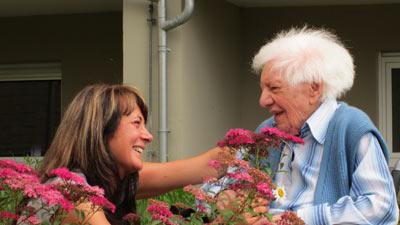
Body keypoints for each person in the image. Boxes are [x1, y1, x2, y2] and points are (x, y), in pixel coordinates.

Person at [251, 26, 399, 224]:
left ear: (313, 88)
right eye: (263, 89)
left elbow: (381, 208)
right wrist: (229, 200)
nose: (263, 101)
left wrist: (290, 221)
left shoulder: (350, 128)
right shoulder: (266, 131)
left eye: (274, 88)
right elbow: (221, 188)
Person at [36, 84, 222, 225]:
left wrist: (248, 141)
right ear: (101, 130)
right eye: (136, 123)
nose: (148, 136)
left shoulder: (113, 180)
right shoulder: (71, 194)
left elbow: (210, 164)